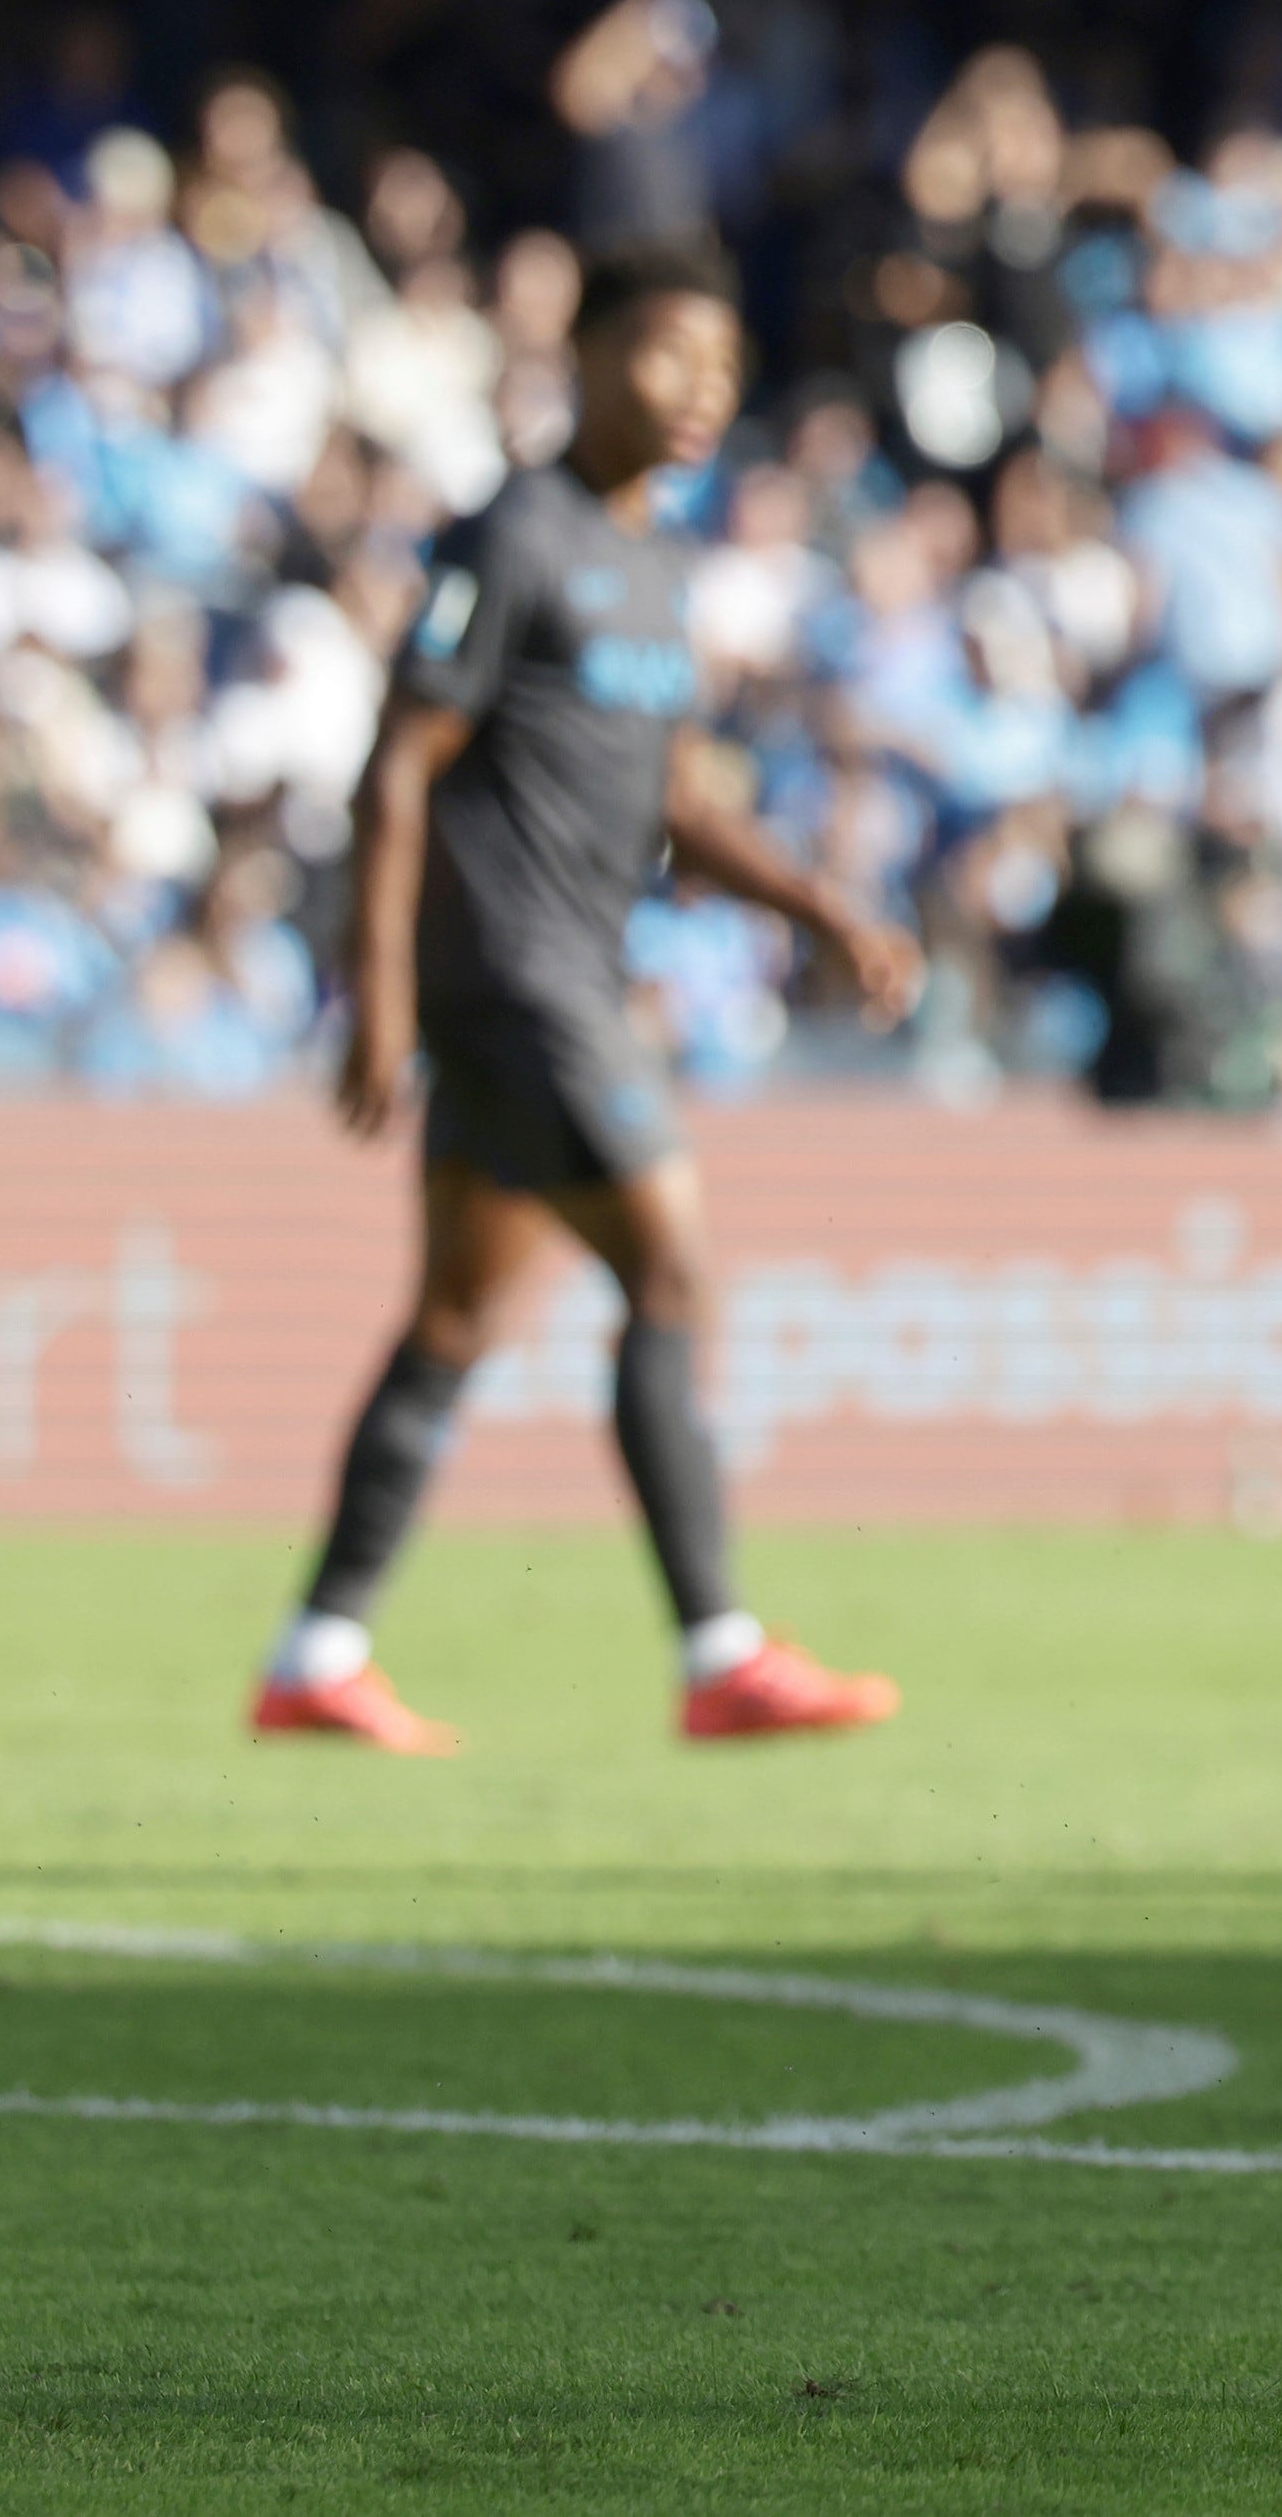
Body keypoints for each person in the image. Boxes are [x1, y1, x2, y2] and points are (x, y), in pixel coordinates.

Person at [250, 241, 926, 1756]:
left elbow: (675, 797)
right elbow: (397, 766)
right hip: (517, 979)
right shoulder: (516, 535)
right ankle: (720, 1650)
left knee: (457, 1316)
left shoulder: (651, 563)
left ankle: (316, 1652)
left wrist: (822, 906)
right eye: (671, 357)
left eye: (724, 373)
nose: (700, 395)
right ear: (595, 351)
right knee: (672, 1276)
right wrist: (377, 990)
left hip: (562, 974)